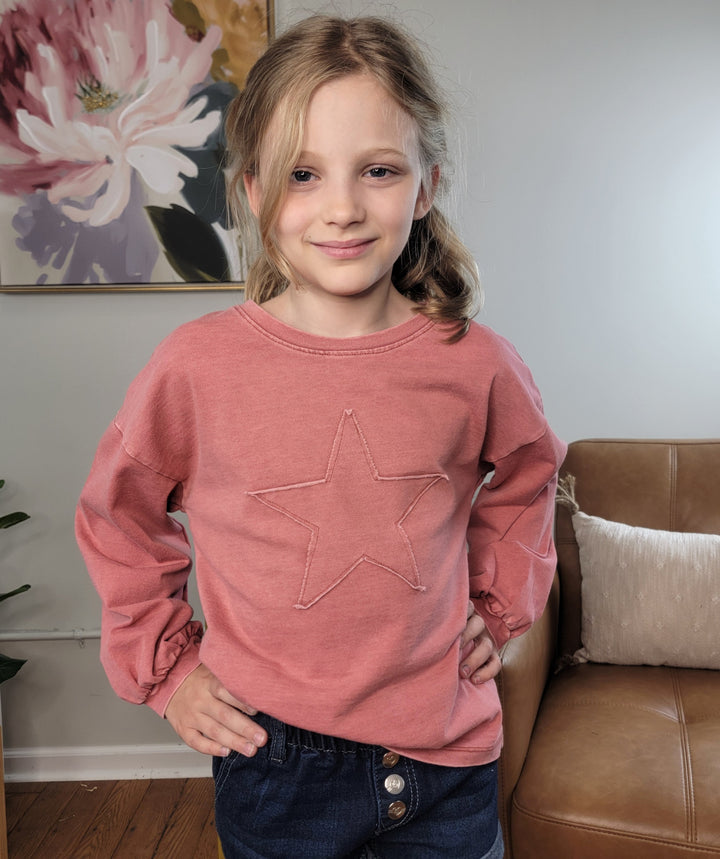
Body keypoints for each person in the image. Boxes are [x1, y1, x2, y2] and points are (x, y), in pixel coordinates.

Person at [76, 14, 566, 859]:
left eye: (378, 170)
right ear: (255, 191)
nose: (342, 208)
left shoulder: (477, 362)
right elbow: (117, 515)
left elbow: (532, 474)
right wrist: (168, 669)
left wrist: (498, 602)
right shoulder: (195, 367)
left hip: (447, 761)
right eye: (303, 174)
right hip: (273, 766)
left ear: (425, 186)